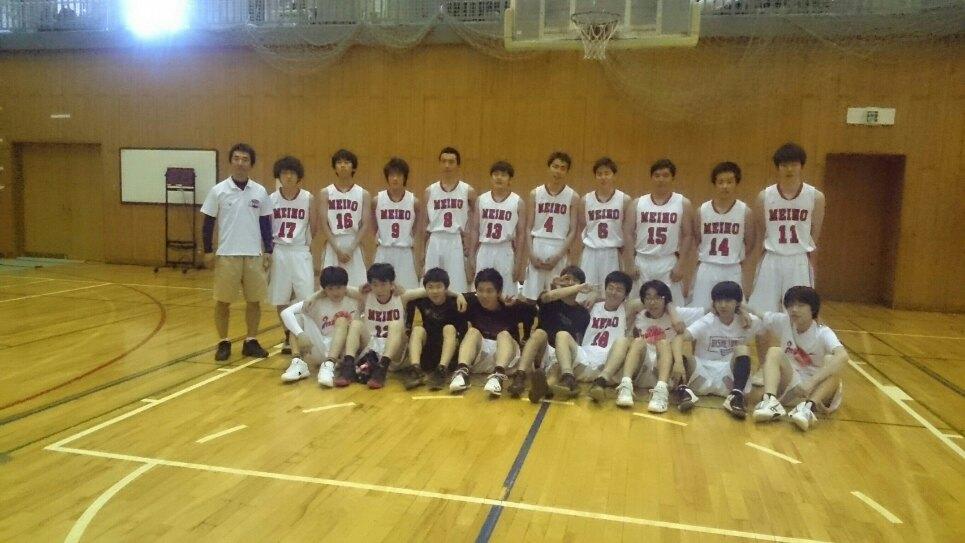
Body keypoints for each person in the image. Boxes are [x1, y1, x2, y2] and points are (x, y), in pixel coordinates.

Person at [200, 143, 274, 361]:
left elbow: (265, 223)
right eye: (237, 158)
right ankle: (223, 342)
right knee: (223, 301)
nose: (240, 163)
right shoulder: (218, 190)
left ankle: (251, 340)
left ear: (251, 164)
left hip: (253, 254)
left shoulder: (259, 191)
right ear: (231, 161)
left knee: (254, 301)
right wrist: (207, 250)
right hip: (227, 254)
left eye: (245, 159)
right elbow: (208, 223)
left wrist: (268, 250)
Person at [587, 280, 703, 410]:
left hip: (664, 368)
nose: (652, 302)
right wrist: (594, 295)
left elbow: (695, 319)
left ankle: (661, 391)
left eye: (658, 298)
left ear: (666, 299)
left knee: (663, 343)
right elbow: (625, 304)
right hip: (641, 368)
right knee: (637, 341)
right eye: (648, 298)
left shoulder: (675, 313)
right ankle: (625, 387)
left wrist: (670, 307)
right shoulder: (639, 316)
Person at [749, 286, 848, 431]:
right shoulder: (784, 322)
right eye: (790, 305)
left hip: (816, 389)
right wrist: (740, 307)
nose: (794, 309)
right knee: (774, 352)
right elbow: (759, 314)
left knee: (832, 364)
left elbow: (843, 356)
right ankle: (770, 402)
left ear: (813, 309)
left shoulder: (823, 333)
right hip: (792, 384)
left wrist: (811, 382)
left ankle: (808, 409)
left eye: (800, 305)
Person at [748, 143, 826, 312]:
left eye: (794, 164)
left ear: (801, 166)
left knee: (799, 310)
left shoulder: (816, 197)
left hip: (798, 259)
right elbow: (763, 232)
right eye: (784, 165)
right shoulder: (764, 197)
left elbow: (814, 235)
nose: (789, 169)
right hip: (772, 257)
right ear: (778, 167)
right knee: (761, 311)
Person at [671, 281, 764, 419]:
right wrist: (678, 363)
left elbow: (765, 325)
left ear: (738, 303)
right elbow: (678, 338)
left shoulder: (749, 321)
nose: (723, 305)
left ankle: (736, 396)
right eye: (718, 301)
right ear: (713, 303)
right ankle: (683, 390)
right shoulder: (707, 321)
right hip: (701, 374)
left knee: (742, 349)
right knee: (681, 354)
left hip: (729, 378)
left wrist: (744, 311)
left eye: (728, 301)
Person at [449, 268, 536, 397]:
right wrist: (459, 295)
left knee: (503, 334)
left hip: (506, 358)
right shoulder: (471, 303)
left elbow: (533, 311)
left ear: (499, 292)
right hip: (480, 358)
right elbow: (439, 293)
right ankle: (462, 372)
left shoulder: (510, 306)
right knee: (472, 331)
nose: (484, 295)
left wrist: (517, 303)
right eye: (480, 290)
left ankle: (498, 376)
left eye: (489, 291)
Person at [510, 266, 592, 401]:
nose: (570, 283)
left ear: (581, 285)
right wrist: (575, 287)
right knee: (539, 333)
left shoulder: (583, 313)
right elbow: (550, 296)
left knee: (556, 368)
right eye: (567, 279)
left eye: (574, 280)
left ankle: (544, 388)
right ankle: (520, 376)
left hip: (563, 354)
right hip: (543, 350)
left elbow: (579, 341)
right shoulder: (548, 298)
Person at [548, 271, 634, 399]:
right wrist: (594, 295)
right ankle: (568, 378)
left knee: (623, 341)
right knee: (562, 335)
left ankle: (600, 382)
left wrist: (596, 296)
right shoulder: (591, 306)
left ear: (626, 295)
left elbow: (644, 302)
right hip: (585, 358)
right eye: (610, 288)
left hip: (608, 363)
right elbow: (557, 299)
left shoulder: (627, 309)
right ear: (605, 289)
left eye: (619, 290)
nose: (613, 292)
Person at [623, 159, 694, 306]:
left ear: (673, 178)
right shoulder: (637, 203)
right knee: (638, 305)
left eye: (665, 175)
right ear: (651, 178)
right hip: (642, 261)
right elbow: (628, 233)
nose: (661, 179)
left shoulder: (683, 203)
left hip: (668, 261)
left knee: (672, 306)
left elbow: (688, 235)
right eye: (657, 175)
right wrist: (629, 262)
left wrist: (681, 265)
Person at [268, 156, 319, 354]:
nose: (288, 176)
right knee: (281, 298)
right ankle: (288, 336)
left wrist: (304, 243)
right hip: (279, 250)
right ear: (279, 176)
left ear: (298, 176)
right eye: (284, 173)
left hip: (300, 251)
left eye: (292, 173)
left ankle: (305, 334)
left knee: (306, 297)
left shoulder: (308, 198)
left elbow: (314, 227)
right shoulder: (271, 199)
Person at [690, 161, 756, 311]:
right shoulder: (702, 211)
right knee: (701, 310)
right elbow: (697, 240)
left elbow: (750, 243)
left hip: (732, 267)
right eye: (721, 182)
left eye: (729, 182)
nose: (725, 186)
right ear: (714, 184)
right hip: (707, 266)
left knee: (735, 311)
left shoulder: (745, 212)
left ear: (736, 183)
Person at [279, 267, 358, 386]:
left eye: (339, 287)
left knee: (342, 320)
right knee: (297, 318)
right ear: (324, 289)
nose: (335, 292)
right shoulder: (315, 302)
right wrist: (300, 334)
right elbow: (285, 313)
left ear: (346, 286)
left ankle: (329, 364)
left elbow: (370, 292)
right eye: (330, 288)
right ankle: (298, 362)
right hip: (320, 347)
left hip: (343, 351)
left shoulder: (354, 299)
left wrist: (318, 294)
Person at [520, 151, 581, 302]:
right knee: (531, 297)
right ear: (549, 168)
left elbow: (573, 230)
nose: (558, 171)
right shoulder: (535, 193)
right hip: (538, 244)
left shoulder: (573, 196)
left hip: (559, 245)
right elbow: (528, 227)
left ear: (567, 171)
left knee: (557, 296)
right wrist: (531, 254)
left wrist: (559, 255)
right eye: (555, 166)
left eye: (562, 168)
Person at [403, 267, 468, 390]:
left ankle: (441, 370)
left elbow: (463, 333)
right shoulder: (421, 301)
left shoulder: (456, 303)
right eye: (430, 287)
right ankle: (415, 369)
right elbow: (404, 296)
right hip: (428, 352)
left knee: (449, 328)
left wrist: (459, 295)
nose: (435, 291)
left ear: (446, 288)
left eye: (439, 287)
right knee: (417, 330)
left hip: (449, 355)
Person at [424, 147, 476, 293]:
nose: (447, 165)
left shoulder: (468, 191)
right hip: (435, 239)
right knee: (432, 283)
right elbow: (423, 224)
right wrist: (422, 252)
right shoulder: (430, 191)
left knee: (456, 285)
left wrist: (469, 241)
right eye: (444, 161)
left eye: (451, 162)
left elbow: (475, 220)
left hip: (455, 239)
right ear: (439, 164)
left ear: (458, 165)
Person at [470, 160, 525, 294]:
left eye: (504, 175)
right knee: (481, 290)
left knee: (506, 292)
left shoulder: (518, 202)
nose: (499, 178)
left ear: (510, 179)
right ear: (491, 177)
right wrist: (471, 255)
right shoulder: (481, 200)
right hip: (485, 248)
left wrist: (518, 261)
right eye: (496, 174)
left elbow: (521, 234)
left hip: (505, 249)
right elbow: (475, 229)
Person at [579, 157, 631, 298]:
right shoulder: (585, 200)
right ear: (595, 176)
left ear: (614, 175)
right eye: (599, 174)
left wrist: (626, 256)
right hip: (590, 251)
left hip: (612, 252)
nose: (603, 177)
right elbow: (582, 228)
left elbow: (628, 231)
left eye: (607, 173)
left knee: (610, 295)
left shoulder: (624, 200)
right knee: (585, 293)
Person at [318, 149, 371, 287]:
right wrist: (337, 249)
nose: (342, 165)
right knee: (329, 285)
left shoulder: (363, 194)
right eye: (339, 162)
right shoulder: (325, 193)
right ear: (334, 167)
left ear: (354, 167)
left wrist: (351, 248)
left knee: (358, 287)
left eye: (347, 162)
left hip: (354, 242)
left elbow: (365, 224)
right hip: (333, 242)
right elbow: (324, 224)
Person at [372, 157, 423, 290]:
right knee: (380, 290)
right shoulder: (377, 200)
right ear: (387, 177)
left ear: (404, 177)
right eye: (391, 175)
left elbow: (416, 229)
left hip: (404, 251)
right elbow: (374, 226)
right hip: (384, 250)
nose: (395, 178)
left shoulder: (414, 202)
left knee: (407, 291)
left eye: (399, 175)